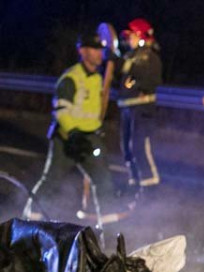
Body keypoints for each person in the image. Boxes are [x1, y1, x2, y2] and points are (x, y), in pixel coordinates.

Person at [23, 28, 130, 227]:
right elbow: (61, 111)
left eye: (101, 49)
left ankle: (107, 229)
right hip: (66, 139)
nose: (100, 53)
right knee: (51, 181)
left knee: (103, 181)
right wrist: (72, 134)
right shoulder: (70, 78)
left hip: (90, 139)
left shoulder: (98, 78)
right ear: (82, 51)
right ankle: (29, 220)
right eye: (95, 49)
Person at [118, 18, 163, 188]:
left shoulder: (150, 58)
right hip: (127, 108)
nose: (129, 40)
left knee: (138, 146)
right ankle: (134, 180)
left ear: (141, 36)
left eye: (131, 36)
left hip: (142, 109)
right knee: (126, 147)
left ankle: (149, 182)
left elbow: (150, 80)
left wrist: (122, 65)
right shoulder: (130, 56)